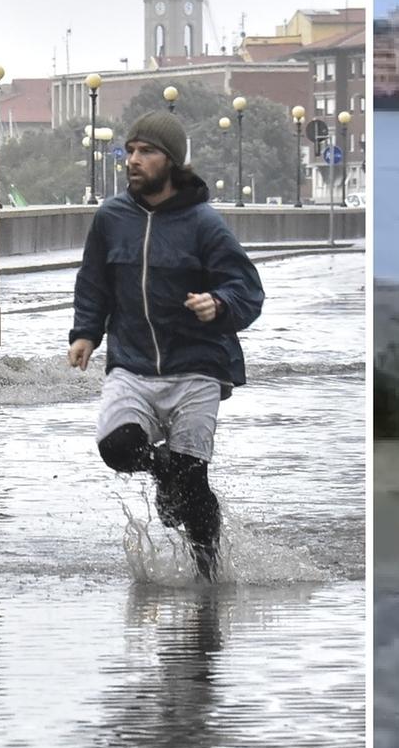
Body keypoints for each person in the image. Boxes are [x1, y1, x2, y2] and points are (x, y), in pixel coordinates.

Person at [67, 111, 264, 580]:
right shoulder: (111, 218)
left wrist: (218, 303)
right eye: (129, 151)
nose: (133, 160)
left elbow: (248, 290)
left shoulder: (204, 224)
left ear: (171, 162)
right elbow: (93, 281)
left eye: (146, 152)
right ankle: (163, 472)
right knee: (116, 447)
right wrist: (86, 333)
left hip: (197, 368)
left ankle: (208, 571)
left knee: (193, 482)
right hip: (132, 364)